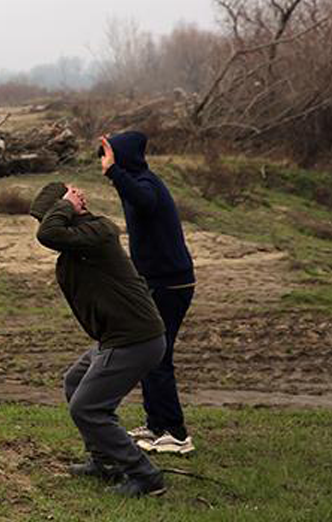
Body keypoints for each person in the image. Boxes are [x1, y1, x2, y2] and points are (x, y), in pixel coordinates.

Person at [32, 181, 168, 497]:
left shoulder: (99, 233)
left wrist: (65, 204)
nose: (42, 225)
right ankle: (105, 461)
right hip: (117, 338)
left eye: (46, 216)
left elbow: (48, 233)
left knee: (88, 408)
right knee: (74, 382)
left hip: (135, 339)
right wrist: (65, 208)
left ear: (67, 212)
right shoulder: (80, 243)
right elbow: (51, 233)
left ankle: (146, 476)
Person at [101, 131, 196, 455]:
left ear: (122, 157)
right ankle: (156, 425)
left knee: (157, 356)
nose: (104, 161)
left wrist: (114, 171)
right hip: (161, 281)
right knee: (151, 355)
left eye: (109, 154)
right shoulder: (137, 181)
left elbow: (145, 200)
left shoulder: (146, 184)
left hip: (170, 283)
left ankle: (176, 432)